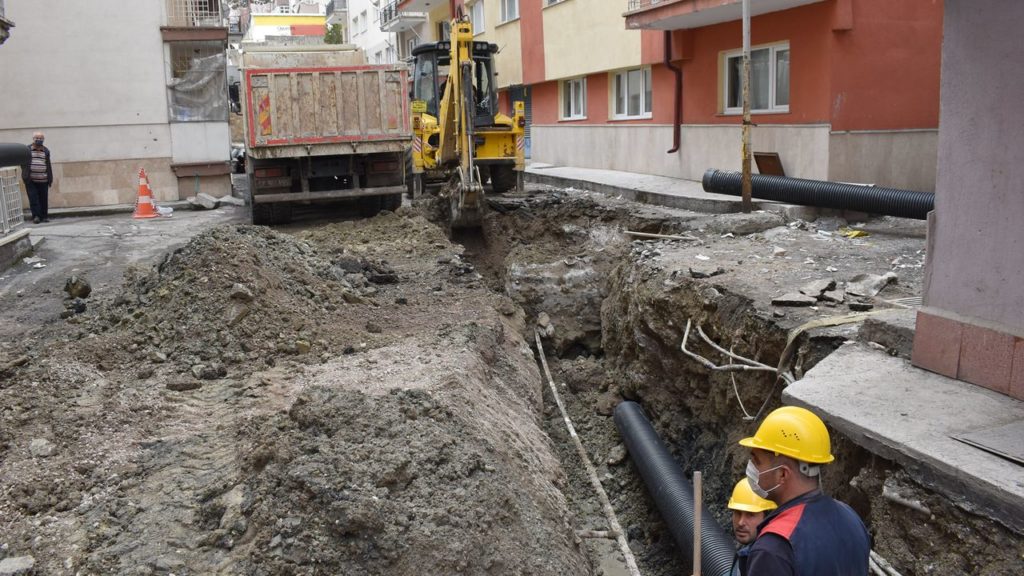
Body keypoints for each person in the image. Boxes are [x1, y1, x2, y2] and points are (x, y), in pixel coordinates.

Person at [738, 406, 870, 576]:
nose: (751, 467)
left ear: (782, 474)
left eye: (756, 461)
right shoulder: (850, 518)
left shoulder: (774, 547)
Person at [727, 478, 777, 576]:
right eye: (737, 513)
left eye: (750, 514)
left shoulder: (770, 561)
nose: (741, 522)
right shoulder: (748, 551)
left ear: (767, 517)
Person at [24, 132, 53, 224]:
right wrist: (25, 175)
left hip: (43, 179)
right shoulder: (27, 149)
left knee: (43, 199)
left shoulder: (46, 151)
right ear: (33, 138)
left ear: (43, 140)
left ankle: (44, 216)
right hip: (31, 180)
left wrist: (50, 178)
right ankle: (36, 216)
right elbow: (23, 163)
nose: (39, 140)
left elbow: (48, 165)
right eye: (37, 138)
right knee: (33, 198)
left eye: (41, 138)